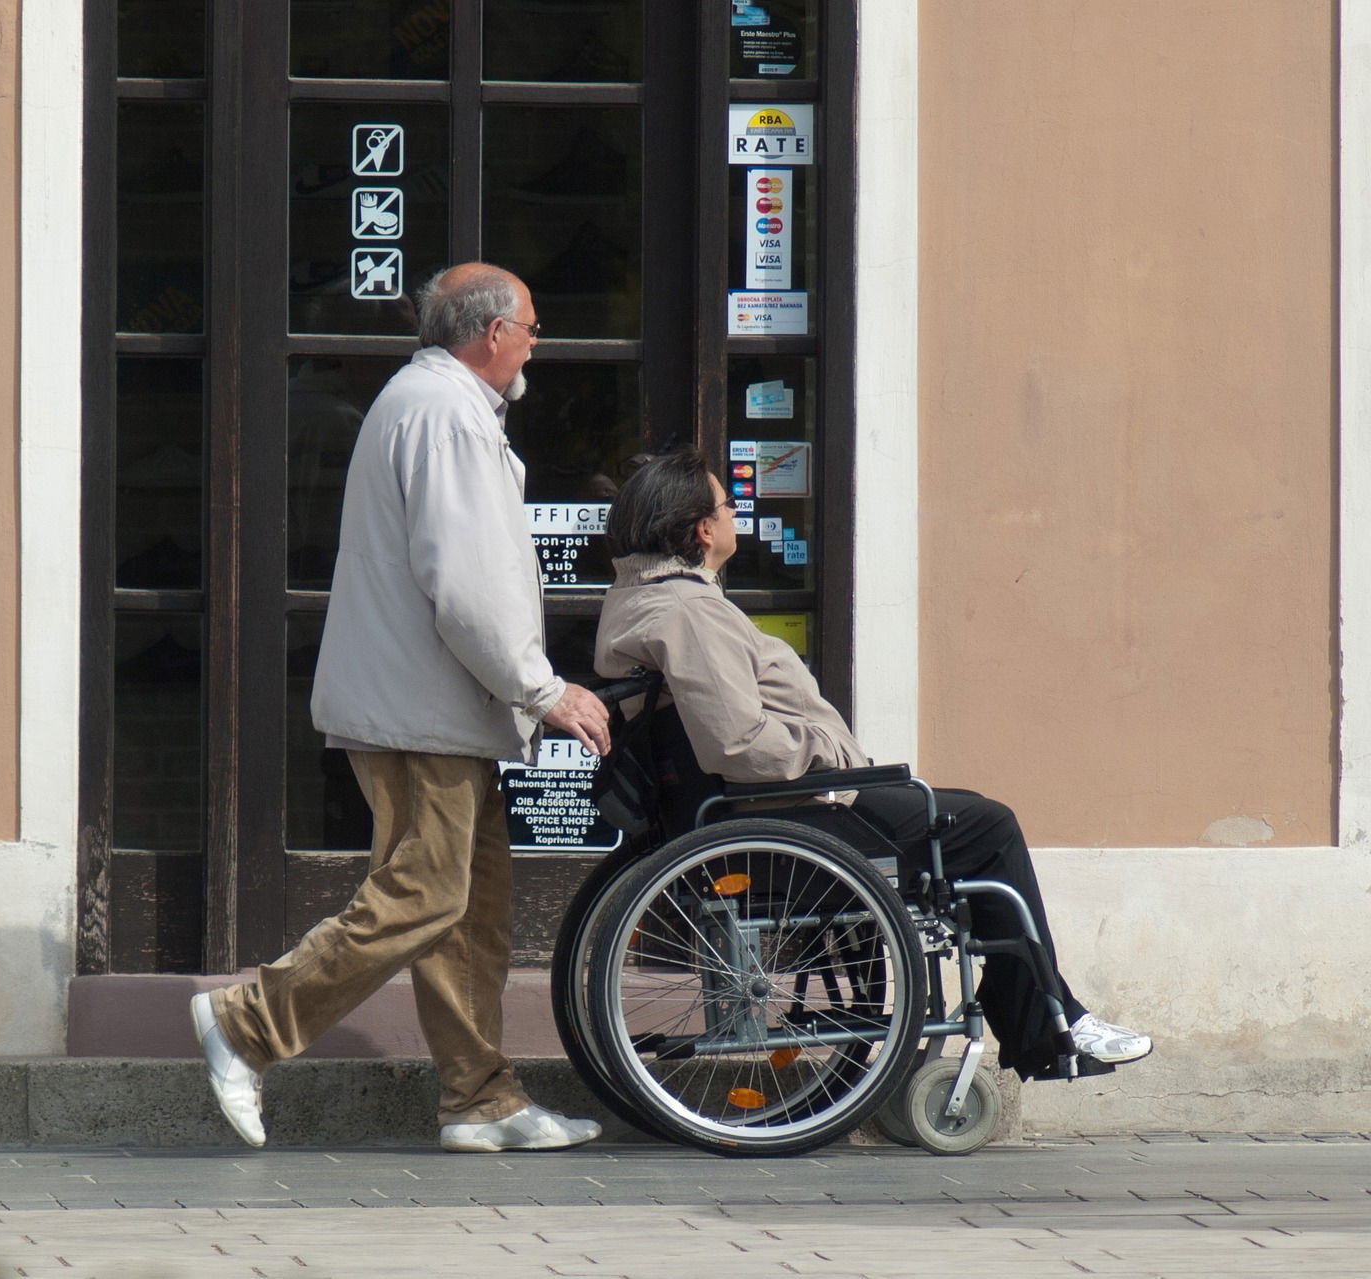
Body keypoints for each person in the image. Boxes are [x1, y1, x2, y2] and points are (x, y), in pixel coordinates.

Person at [191, 263, 614, 1151]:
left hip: (434, 708)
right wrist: (543, 687)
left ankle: (480, 1098)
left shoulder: (435, 405)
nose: (538, 343)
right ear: (491, 333)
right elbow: (466, 585)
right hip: (423, 711)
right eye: (532, 328)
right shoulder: (445, 413)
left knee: (471, 908)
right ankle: (246, 1022)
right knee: (425, 896)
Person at [592, 449, 1152, 1081]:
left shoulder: (643, 601)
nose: (734, 514)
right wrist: (830, 756)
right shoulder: (689, 613)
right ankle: (1047, 1016)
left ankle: (1039, 1008)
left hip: (767, 811)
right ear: (701, 529)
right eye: (727, 504)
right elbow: (738, 745)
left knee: (960, 812)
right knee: (987, 827)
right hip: (786, 814)